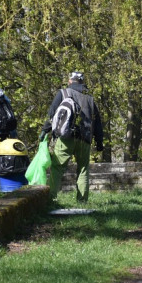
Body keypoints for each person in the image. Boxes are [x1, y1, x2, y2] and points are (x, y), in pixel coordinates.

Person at [40, 71, 104, 202]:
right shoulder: (90, 100)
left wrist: (44, 130)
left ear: (70, 81)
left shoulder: (63, 93)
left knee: (57, 168)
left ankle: (51, 199)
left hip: (65, 138)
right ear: (82, 83)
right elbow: (97, 123)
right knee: (83, 170)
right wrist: (99, 141)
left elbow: (52, 115)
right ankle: (82, 201)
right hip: (85, 139)